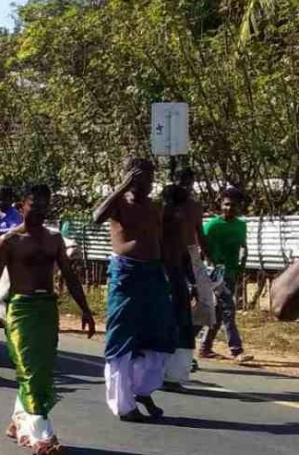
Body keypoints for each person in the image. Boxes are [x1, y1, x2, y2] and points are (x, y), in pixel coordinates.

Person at [0, 185, 95, 455]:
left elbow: (69, 275)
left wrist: (85, 310)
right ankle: (44, 438)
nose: (38, 210)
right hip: (21, 311)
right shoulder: (9, 241)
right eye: (33, 205)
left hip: (47, 310)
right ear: (22, 206)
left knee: (41, 370)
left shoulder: (54, 239)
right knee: (30, 372)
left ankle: (19, 421)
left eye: (44, 205)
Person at [91, 158, 176, 422]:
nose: (149, 183)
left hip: (153, 273)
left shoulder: (154, 207)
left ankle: (141, 389)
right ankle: (124, 405)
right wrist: (123, 185)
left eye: (151, 177)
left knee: (160, 335)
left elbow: (162, 240)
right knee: (121, 339)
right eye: (144, 177)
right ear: (131, 177)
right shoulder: (118, 203)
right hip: (126, 273)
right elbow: (96, 217)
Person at [199, 187, 253, 362]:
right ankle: (236, 350)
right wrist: (206, 269)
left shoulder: (240, 225)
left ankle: (204, 347)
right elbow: (201, 248)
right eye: (227, 205)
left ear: (239, 207)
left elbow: (243, 247)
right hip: (214, 274)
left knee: (219, 311)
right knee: (229, 309)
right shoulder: (212, 225)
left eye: (234, 206)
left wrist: (242, 265)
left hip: (231, 272)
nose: (230, 208)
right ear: (221, 205)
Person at [161, 185, 196, 390]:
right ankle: (158, 375)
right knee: (163, 326)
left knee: (182, 327)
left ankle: (173, 377)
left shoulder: (179, 223)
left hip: (177, 279)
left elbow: (183, 255)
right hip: (160, 279)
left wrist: (192, 282)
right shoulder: (156, 222)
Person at [177, 169, 215, 331]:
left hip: (191, 255)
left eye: (189, 184)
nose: (186, 187)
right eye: (182, 183)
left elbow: (200, 235)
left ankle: (188, 340)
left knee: (206, 299)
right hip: (168, 256)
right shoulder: (164, 206)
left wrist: (211, 259)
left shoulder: (195, 206)